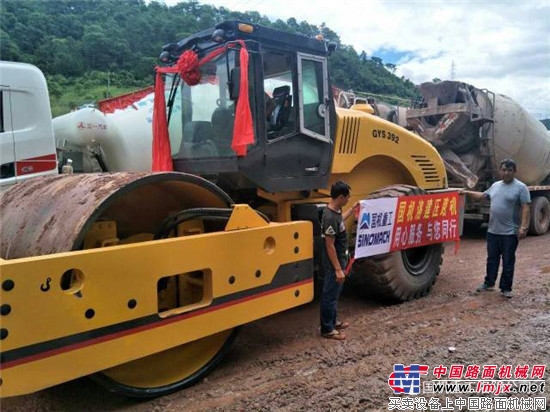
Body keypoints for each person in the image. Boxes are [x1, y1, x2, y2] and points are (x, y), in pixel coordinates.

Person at [463, 158, 531, 298]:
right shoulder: (495, 186)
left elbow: (526, 207)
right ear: (500, 171)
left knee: (508, 260)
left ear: (514, 171)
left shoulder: (521, 187)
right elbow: (482, 196)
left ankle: (506, 288)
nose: (506, 173)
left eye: (509, 170)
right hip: (493, 231)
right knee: (492, 259)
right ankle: (489, 283)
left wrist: (523, 227)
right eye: (504, 170)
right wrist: (465, 193)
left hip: (510, 233)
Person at [320, 181, 359, 340]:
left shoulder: (335, 212)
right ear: (341, 197)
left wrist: (351, 210)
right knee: (329, 295)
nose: (348, 199)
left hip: (341, 259)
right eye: (347, 198)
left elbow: (340, 223)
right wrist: (337, 268)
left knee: (335, 293)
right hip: (333, 263)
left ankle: (333, 321)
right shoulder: (329, 217)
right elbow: (329, 245)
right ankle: (327, 329)